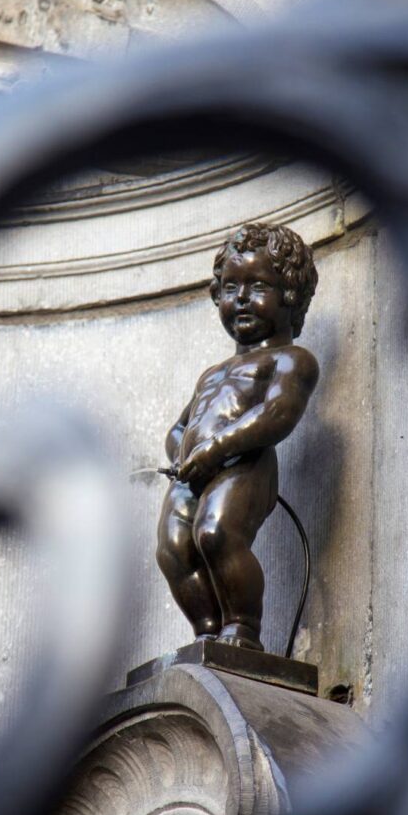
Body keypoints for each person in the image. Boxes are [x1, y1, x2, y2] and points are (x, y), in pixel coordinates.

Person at [156, 222, 319, 651]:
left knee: (216, 534)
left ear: (290, 295)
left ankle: (242, 628)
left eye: (258, 285)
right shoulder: (211, 374)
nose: (241, 299)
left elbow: (277, 414)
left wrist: (216, 449)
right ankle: (207, 635)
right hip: (192, 473)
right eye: (230, 288)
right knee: (174, 548)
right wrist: (179, 454)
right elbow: (179, 427)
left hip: (245, 465)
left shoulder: (291, 360)